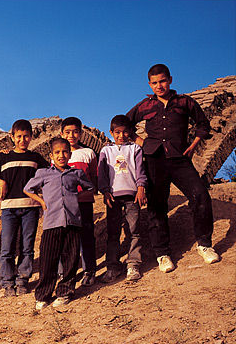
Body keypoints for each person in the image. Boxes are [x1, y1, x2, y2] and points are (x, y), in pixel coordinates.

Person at [125, 63, 219, 271]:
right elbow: (124, 123)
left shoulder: (184, 102)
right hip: (154, 160)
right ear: (149, 84)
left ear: (170, 80)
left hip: (180, 159)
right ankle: (162, 254)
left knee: (200, 195)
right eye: (154, 83)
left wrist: (194, 145)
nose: (159, 86)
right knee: (157, 205)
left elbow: (203, 124)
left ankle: (204, 245)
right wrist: (141, 142)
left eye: (162, 81)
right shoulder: (145, 105)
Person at [23, 137, 95, 310]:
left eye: (64, 152)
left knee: (70, 258)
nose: (61, 155)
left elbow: (90, 188)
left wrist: (75, 198)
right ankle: (43, 295)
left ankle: (65, 292)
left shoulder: (76, 173)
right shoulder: (44, 173)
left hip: (72, 221)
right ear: (51, 155)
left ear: (69, 154)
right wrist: (41, 201)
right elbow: (27, 189)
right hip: (51, 222)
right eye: (57, 152)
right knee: (48, 259)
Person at [0, 119, 49, 297]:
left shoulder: (35, 158)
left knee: (27, 246)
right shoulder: (4, 157)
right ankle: (7, 282)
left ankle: (22, 280)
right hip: (9, 209)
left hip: (30, 208)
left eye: (26, 136)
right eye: (18, 136)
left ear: (31, 136)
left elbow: (49, 174)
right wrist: (0, 182)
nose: (22, 140)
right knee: (7, 247)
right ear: (12, 137)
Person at [98, 115, 148, 283]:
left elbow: (140, 171)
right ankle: (113, 267)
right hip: (113, 197)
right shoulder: (106, 151)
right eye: (117, 132)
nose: (121, 136)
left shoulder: (135, 149)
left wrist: (141, 188)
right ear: (111, 132)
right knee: (113, 232)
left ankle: (133, 264)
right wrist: (105, 191)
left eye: (125, 132)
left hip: (132, 195)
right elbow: (102, 174)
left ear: (130, 132)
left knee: (134, 230)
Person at [60, 117, 99, 286]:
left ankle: (89, 270)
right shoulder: (58, 154)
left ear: (81, 133)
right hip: (65, 205)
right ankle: (66, 272)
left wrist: (92, 192)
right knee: (67, 238)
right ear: (61, 134)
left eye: (75, 132)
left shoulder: (88, 153)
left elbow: (94, 176)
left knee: (87, 236)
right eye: (67, 132)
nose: (71, 135)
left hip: (84, 202)